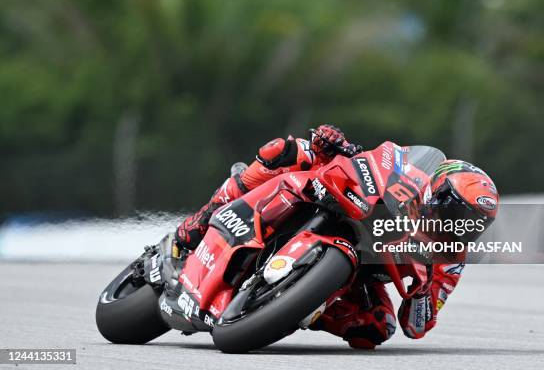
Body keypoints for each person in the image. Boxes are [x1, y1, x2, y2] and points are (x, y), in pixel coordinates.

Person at [174, 125, 499, 349]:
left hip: (360, 272)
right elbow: (374, 161)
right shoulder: (410, 175)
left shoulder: (452, 259)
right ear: (437, 194)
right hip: (326, 199)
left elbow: (418, 326)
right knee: (289, 151)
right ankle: (202, 218)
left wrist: (422, 290)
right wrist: (337, 145)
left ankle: (298, 305)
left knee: (375, 328)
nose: (461, 227)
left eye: (474, 225)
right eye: (458, 215)